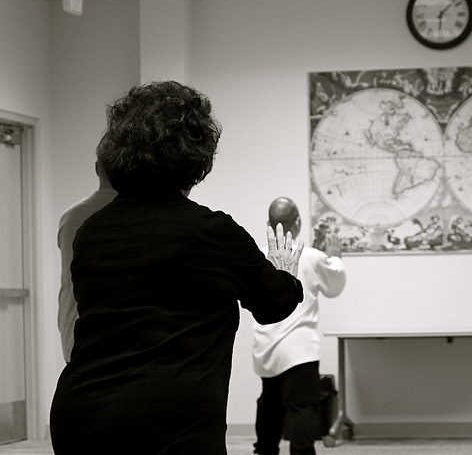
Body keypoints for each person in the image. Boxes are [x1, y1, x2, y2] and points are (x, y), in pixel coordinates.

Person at [50, 81, 304, 455]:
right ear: (197, 155)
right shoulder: (210, 232)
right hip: (171, 422)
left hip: (80, 414)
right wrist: (285, 270)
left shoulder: (92, 231)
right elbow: (273, 304)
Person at [252, 197, 346, 455]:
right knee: (303, 407)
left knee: (269, 405)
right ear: (299, 223)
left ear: (268, 224)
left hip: (266, 347)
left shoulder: (257, 257)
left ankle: (264, 451)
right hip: (300, 349)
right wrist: (336, 258)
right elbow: (334, 287)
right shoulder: (312, 257)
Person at [57, 157, 117, 363]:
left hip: (75, 331)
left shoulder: (72, 216)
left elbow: (68, 282)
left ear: (96, 168)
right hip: (118, 340)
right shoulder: (136, 214)